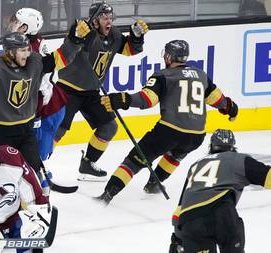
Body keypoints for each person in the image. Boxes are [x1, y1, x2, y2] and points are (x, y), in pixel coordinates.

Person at [96, 39, 239, 204]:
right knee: (175, 155)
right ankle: (153, 184)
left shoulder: (163, 76)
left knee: (133, 162)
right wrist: (231, 108)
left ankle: (107, 195)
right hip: (196, 136)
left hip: (169, 131)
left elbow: (146, 99)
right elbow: (219, 100)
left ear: (169, 57)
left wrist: (122, 99)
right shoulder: (201, 75)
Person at [0, 21, 90, 177]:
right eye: (22, 51)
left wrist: (75, 40)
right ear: (10, 52)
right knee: (3, 174)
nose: (27, 54)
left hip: (26, 129)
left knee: (34, 170)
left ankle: (40, 198)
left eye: (28, 49)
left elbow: (61, 58)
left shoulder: (35, 62)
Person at [54, 1, 148, 181]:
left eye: (111, 17)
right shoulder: (82, 30)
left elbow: (129, 50)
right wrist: (81, 33)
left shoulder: (113, 35)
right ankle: (36, 166)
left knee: (109, 126)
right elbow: (74, 43)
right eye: (105, 17)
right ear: (95, 20)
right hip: (67, 89)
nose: (109, 21)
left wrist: (136, 37)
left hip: (91, 92)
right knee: (58, 129)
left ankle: (88, 163)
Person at [169, 129, 271, 253]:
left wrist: (179, 241)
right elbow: (268, 177)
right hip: (221, 214)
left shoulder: (196, 165)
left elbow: (179, 210)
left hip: (190, 220)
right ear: (233, 146)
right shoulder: (237, 159)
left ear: (211, 146)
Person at [5, 8, 67, 162]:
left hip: (48, 108)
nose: (12, 24)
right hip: (37, 104)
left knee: (39, 151)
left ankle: (38, 177)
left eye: (17, 22)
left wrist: (35, 113)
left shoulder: (35, 51)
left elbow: (39, 86)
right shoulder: (21, 43)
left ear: (26, 28)